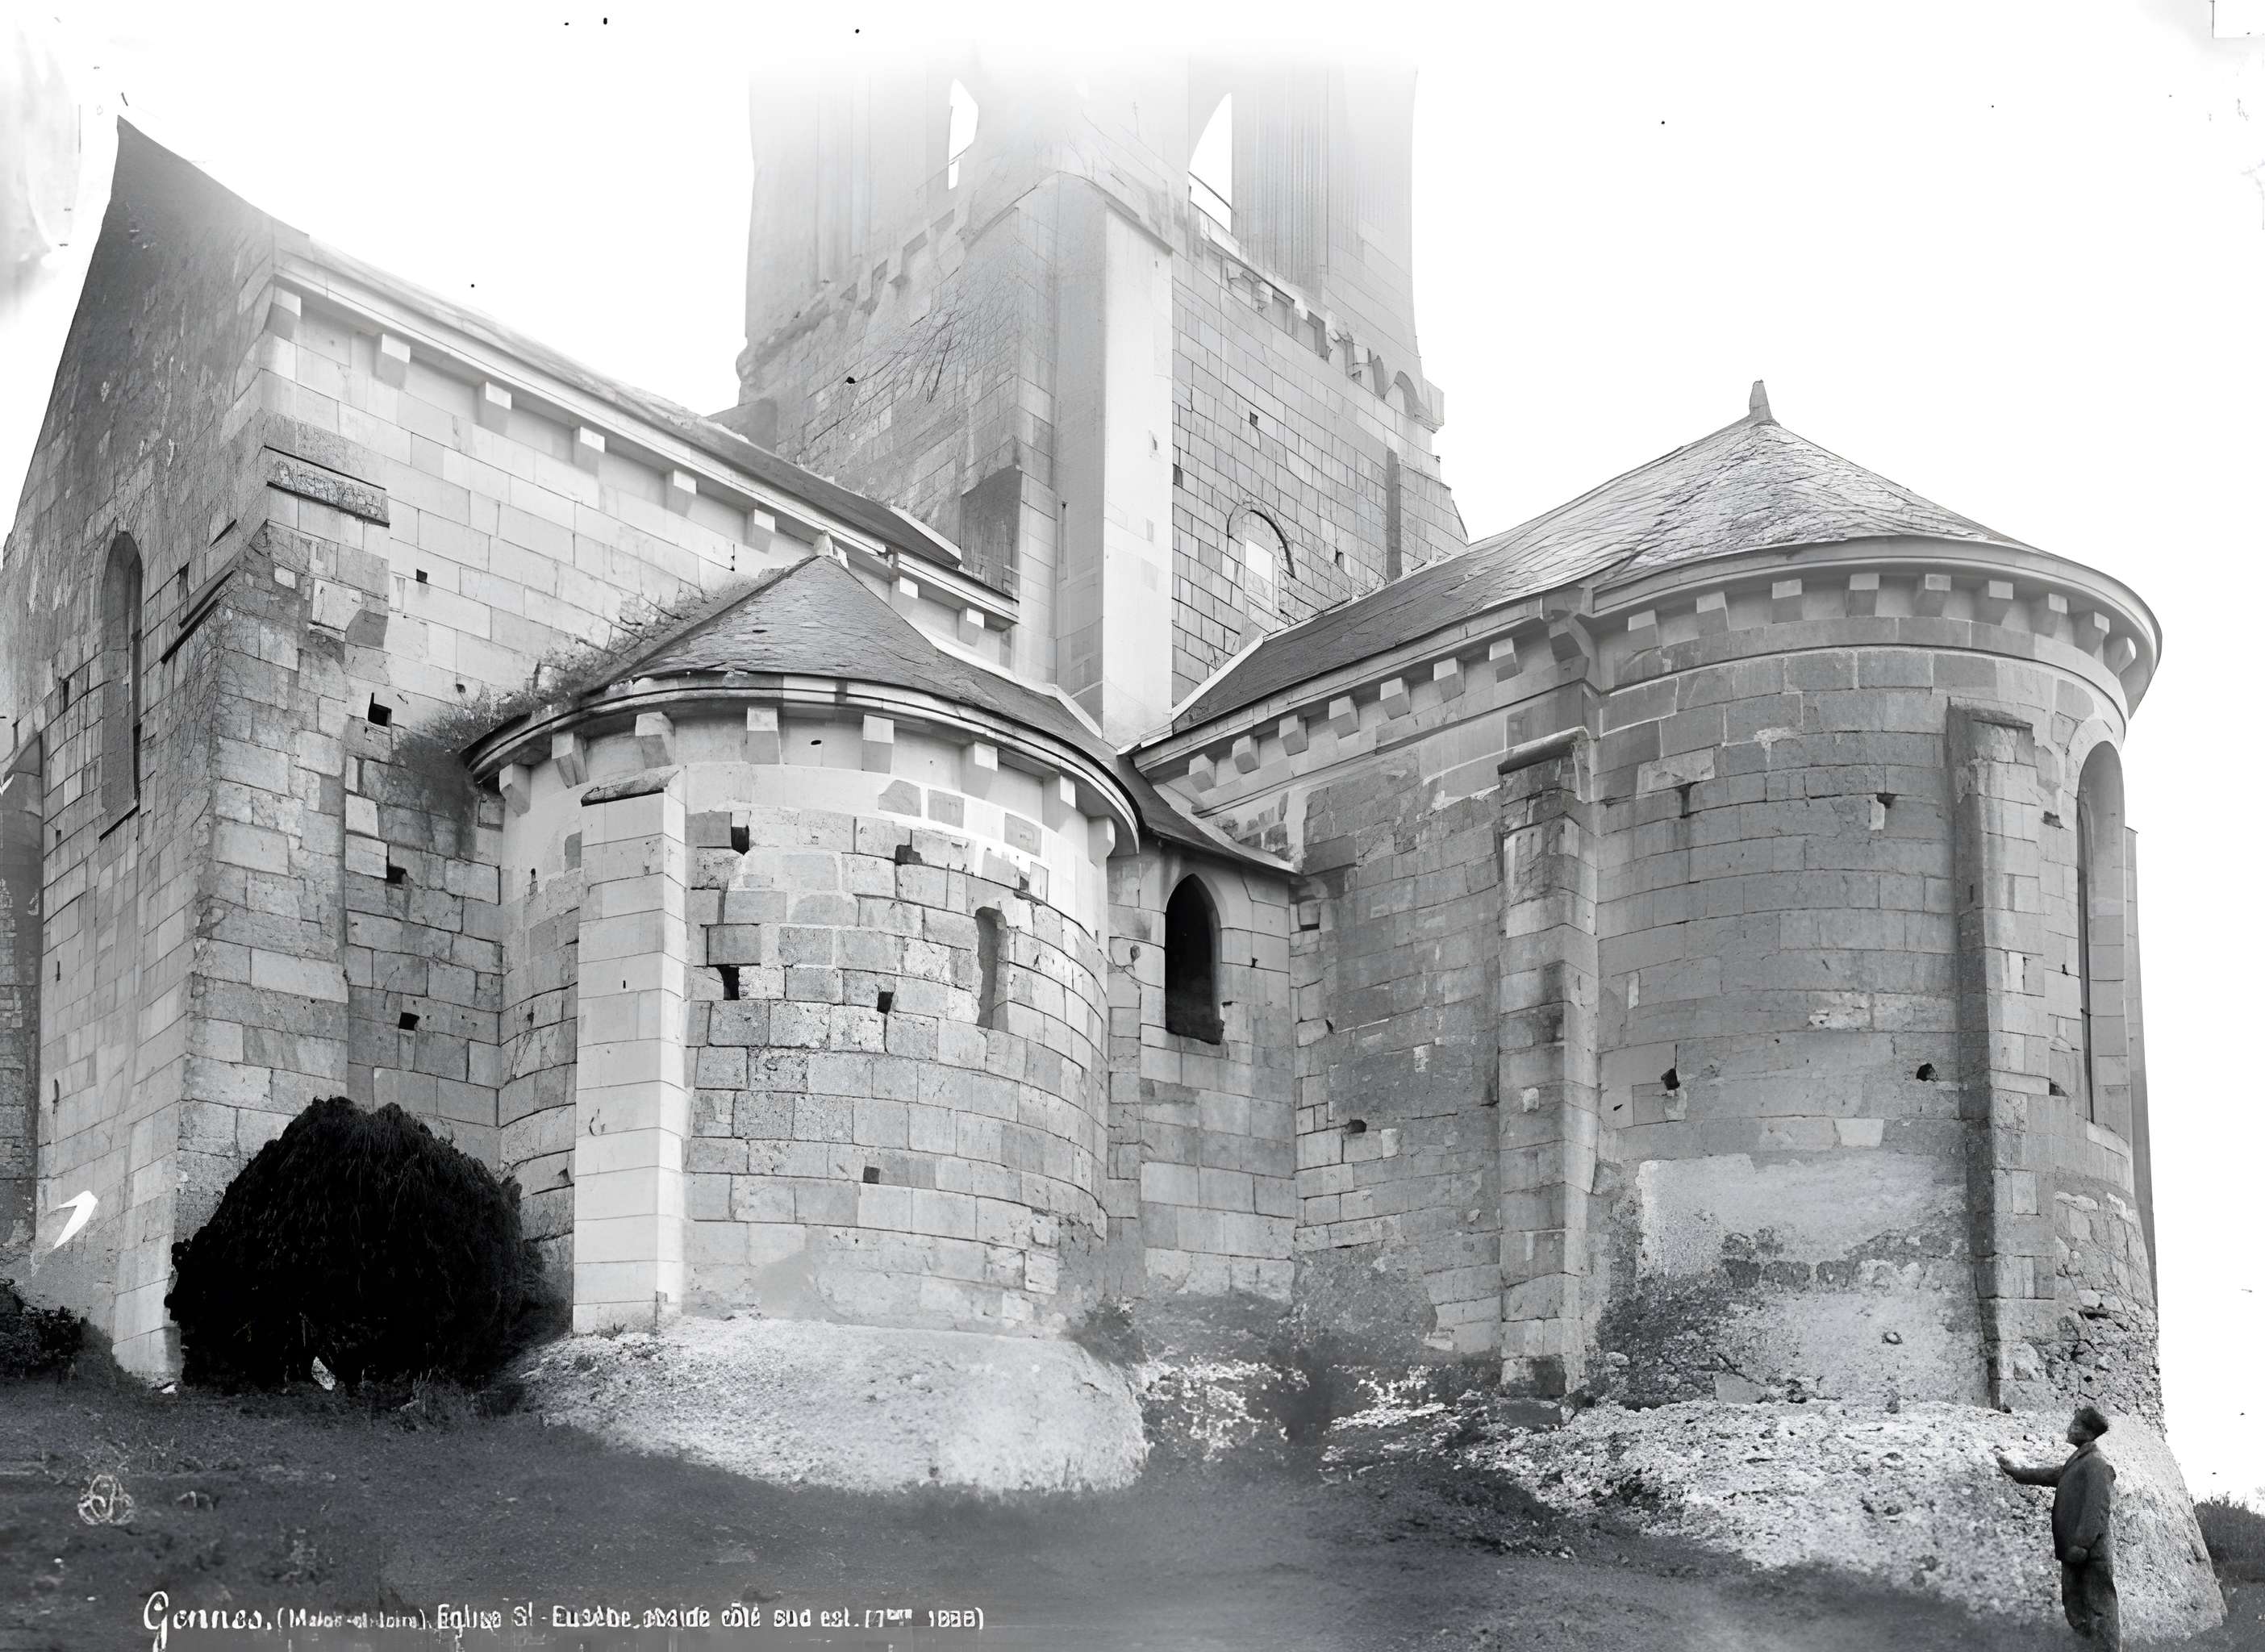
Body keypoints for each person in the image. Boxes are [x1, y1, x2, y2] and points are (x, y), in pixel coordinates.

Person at [1996, 1404, 2120, 1649]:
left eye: (2074, 1425)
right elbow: (2050, 1475)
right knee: (2075, 1606)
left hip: (2089, 1553)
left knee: (2099, 1609)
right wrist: (2016, 1472)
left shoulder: (2097, 1464)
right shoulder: (2078, 1461)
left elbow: (2097, 1509)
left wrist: (2082, 1545)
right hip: (2073, 1551)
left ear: (2087, 1431)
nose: (2069, 1429)